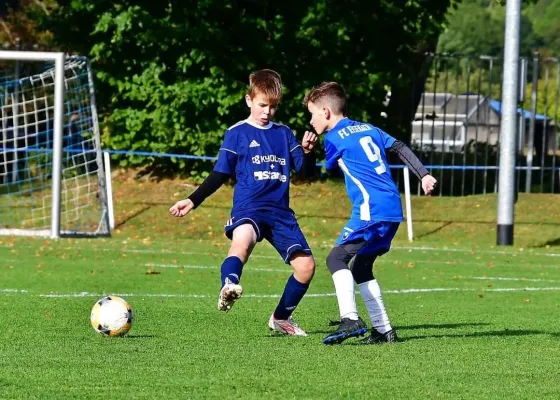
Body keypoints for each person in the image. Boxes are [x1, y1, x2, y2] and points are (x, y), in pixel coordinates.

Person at [169, 69, 318, 336]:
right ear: (249, 100)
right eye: (262, 105)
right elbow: (220, 173)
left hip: (280, 212)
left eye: (272, 107)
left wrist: (308, 152)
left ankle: (281, 318)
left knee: (306, 267)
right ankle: (229, 285)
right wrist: (193, 200)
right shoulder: (237, 133)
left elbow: (306, 173)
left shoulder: (284, 134)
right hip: (249, 207)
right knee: (242, 243)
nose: (267, 112)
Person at [302, 82, 437, 344]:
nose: (311, 119)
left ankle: (350, 319)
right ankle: (384, 330)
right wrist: (424, 174)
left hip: (370, 210)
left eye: (312, 113)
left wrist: (307, 152)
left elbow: (316, 175)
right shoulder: (369, 128)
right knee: (362, 266)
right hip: (392, 210)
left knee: (335, 260)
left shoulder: (333, 139)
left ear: (326, 112)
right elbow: (398, 146)